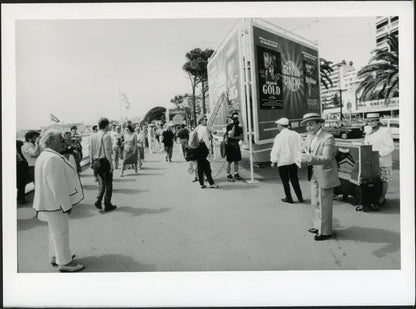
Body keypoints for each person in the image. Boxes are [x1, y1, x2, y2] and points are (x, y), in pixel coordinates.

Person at [32, 129, 84, 272]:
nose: (64, 141)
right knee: (62, 231)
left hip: (49, 203)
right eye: (60, 139)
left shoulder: (45, 155)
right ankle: (65, 262)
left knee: (54, 231)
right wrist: (65, 205)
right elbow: (57, 186)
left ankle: (56, 255)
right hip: (55, 203)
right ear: (51, 142)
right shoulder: (53, 158)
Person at [300, 113, 340, 241]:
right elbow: (305, 150)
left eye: (311, 124)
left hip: (325, 173)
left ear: (319, 123)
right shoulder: (309, 137)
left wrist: (309, 158)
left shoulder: (328, 137)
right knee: (315, 201)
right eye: (306, 125)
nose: (308, 127)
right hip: (314, 173)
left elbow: (327, 158)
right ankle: (318, 226)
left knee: (325, 203)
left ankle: (325, 231)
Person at [270, 117, 304, 204]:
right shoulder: (295, 134)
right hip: (293, 161)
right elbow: (301, 146)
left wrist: (273, 160)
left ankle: (289, 198)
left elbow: (276, 149)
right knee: (295, 180)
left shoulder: (279, 136)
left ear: (281, 126)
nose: (277, 126)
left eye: (278, 125)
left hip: (283, 162)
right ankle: (300, 197)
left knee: (285, 181)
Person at [363, 113, 394, 206]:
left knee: (383, 180)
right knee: (373, 180)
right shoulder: (368, 131)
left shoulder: (385, 131)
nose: (370, 123)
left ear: (378, 121)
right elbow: (366, 145)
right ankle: (373, 197)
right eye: (368, 121)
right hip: (371, 161)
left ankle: (382, 198)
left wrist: (379, 154)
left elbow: (390, 146)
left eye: (373, 121)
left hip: (382, 160)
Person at [89, 117, 117, 212]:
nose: (110, 126)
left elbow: (91, 150)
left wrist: (91, 163)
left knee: (101, 183)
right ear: (106, 125)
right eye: (109, 124)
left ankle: (98, 200)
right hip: (104, 161)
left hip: (96, 162)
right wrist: (111, 165)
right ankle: (107, 204)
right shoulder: (106, 136)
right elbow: (107, 151)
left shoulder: (93, 136)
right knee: (108, 184)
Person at [195, 115, 219, 189]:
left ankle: (201, 183)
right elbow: (206, 141)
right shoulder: (204, 129)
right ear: (201, 121)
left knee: (200, 166)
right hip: (204, 148)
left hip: (197, 148)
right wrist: (209, 150)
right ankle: (211, 183)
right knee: (207, 167)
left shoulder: (197, 128)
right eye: (205, 120)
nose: (206, 121)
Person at [225, 112, 243, 182]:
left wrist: (235, 138)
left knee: (236, 161)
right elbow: (231, 135)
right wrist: (234, 126)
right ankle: (228, 174)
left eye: (237, 118)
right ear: (232, 118)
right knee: (229, 162)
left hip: (236, 145)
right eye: (234, 118)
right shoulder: (229, 126)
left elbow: (241, 137)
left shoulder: (240, 128)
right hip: (230, 146)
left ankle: (236, 173)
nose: (236, 120)